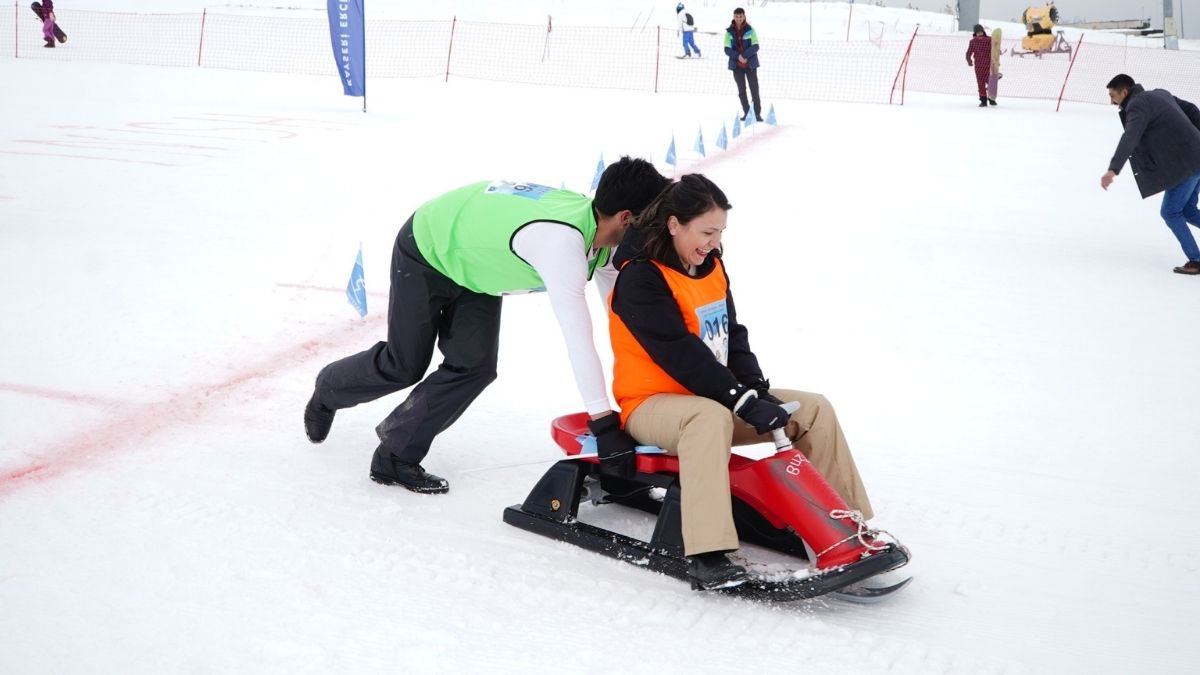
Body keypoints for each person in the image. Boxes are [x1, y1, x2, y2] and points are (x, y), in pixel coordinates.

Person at [304, 158, 671, 493]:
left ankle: (394, 457)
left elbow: (622, 316)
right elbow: (579, 338)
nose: (656, 229)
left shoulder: (604, 240)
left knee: (474, 366)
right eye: (653, 219)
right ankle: (328, 389)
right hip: (429, 246)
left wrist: (657, 381)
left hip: (475, 265)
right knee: (404, 365)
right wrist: (603, 423)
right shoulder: (561, 244)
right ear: (626, 218)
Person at [606, 174, 874, 590]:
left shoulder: (710, 266)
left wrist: (756, 390)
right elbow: (679, 353)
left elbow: (732, 335)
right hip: (651, 405)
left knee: (813, 409)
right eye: (707, 232)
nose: (714, 242)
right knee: (708, 418)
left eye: (720, 232)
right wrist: (741, 400)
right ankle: (707, 555)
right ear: (674, 224)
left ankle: (846, 530)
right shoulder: (640, 279)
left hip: (711, 396)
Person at [1101, 74, 1200, 275]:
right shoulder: (1160, 94)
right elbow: (1191, 109)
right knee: (1188, 210)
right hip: (1195, 157)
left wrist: (1114, 168)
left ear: (1124, 92)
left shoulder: (1137, 106)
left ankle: (1196, 261)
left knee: (1170, 212)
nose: (1111, 101)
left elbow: (1130, 136)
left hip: (1186, 164)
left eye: (1113, 95)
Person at [724, 7, 762, 122]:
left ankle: (756, 114)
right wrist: (738, 57)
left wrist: (744, 56)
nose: (739, 19)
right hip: (737, 66)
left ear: (744, 16)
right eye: (736, 16)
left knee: (754, 89)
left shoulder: (750, 30)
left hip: (750, 65)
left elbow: (756, 46)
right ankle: (747, 113)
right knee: (741, 91)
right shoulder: (729, 32)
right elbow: (727, 49)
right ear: (734, 17)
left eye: (740, 16)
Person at [965, 24, 992, 107]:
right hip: (978, 66)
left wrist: (998, 52)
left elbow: (995, 49)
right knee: (981, 83)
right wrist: (969, 61)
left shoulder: (989, 40)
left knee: (990, 81)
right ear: (975, 33)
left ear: (983, 32)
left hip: (988, 65)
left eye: (981, 32)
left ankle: (991, 97)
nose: (979, 34)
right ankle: (983, 100)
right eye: (978, 33)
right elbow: (968, 53)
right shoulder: (973, 42)